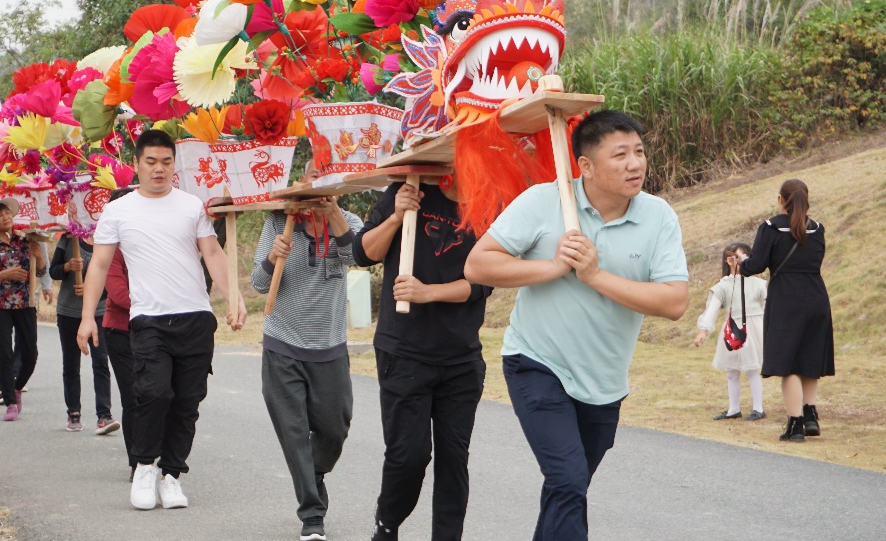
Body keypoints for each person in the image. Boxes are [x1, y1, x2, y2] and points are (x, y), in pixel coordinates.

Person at [466, 110, 689, 541]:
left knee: (568, 488)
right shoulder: (543, 201)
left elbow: (674, 301)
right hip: (538, 364)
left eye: (639, 152)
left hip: (604, 382)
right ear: (584, 165)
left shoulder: (658, 216)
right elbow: (478, 264)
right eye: (620, 154)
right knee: (568, 480)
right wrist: (552, 267)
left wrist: (594, 276)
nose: (634, 164)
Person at [77, 129, 246, 512]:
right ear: (136, 164)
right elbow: (100, 264)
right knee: (153, 394)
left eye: (166, 162)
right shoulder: (118, 210)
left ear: (175, 165)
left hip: (195, 317)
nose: (159, 169)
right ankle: (144, 466)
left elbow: (213, 253)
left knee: (188, 401)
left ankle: (172, 476)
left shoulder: (192, 205)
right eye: (151, 161)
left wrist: (233, 296)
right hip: (148, 319)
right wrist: (88, 317)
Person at [359, 174, 491, 541]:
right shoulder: (408, 188)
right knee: (409, 456)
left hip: (461, 358)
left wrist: (428, 292)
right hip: (404, 352)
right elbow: (363, 252)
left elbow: (485, 282)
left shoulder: (487, 202)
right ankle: (387, 523)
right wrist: (397, 216)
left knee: (454, 460)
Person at [251, 167, 363, 541]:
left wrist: (332, 214)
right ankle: (312, 515)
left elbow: (357, 258)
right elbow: (258, 283)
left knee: (335, 427)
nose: (317, 189)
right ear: (299, 185)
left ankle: (311, 474)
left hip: (329, 345)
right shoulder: (277, 220)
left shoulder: (348, 220)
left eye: (326, 182)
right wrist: (272, 256)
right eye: (311, 180)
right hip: (282, 341)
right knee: (295, 432)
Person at [740, 179, 834, 443]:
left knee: (789, 363)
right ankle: (810, 413)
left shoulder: (770, 227)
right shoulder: (817, 228)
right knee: (810, 359)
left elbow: (756, 265)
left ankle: (795, 425)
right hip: (817, 297)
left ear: (781, 200)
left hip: (786, 299)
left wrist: (742, 263)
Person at [0, 197, 47, 422]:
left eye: (7, 213)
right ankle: (10, 402)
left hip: (25, 304)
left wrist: (40, 257)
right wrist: (3, 275)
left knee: (30, 353)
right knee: (3, 354)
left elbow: (41, 273)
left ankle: (16, 387)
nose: (5, 217)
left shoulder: (26, 241)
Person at [51, 233, 117, 434]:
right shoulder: (69, 239)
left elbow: (113, 278)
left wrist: (93, 289)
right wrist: (67, 267)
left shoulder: (108, 239)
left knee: (101, 362)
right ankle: (73, 412)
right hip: (69, 311)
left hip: (99, 312)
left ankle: (104, 415)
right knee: (71, 363)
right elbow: (54, 271)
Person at [693, 243, 768, 421]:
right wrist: (704, 331)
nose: (738, 261)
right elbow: (712, 309)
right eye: (734, 258)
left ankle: (758, 407)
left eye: (742, 258)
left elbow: (768, 307)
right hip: (733, 329)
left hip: (754, 328)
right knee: (732, 371)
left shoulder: (758, 283)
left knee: (751, 369)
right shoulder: (723, 285)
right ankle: (733, 409)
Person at [100, 188, 137, 476]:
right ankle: (139, 461)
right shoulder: (111, 249)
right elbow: (118, 294)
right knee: (133, 397)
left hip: (155, 329)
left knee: (160, 394)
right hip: (121, 332)